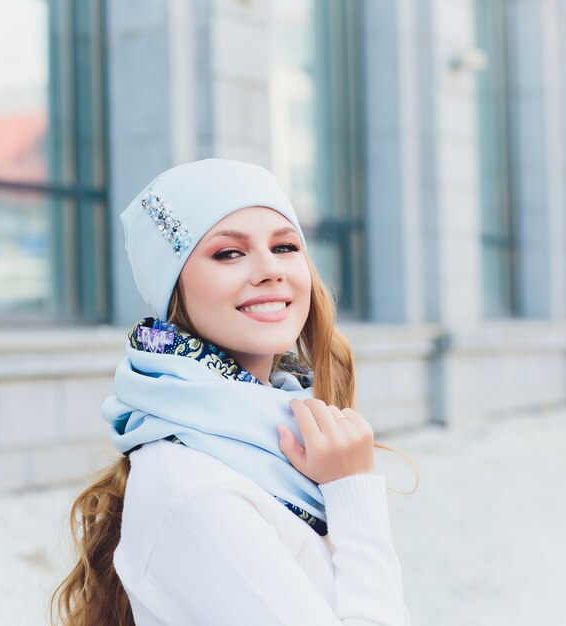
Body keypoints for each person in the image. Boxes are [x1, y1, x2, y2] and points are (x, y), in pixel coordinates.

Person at [51, 158, 413, 625]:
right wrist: (354, 496)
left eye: (285, 246)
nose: (269, 270)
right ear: (173, 288)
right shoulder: (197, 489)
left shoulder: (285, 430)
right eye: (228, 253)